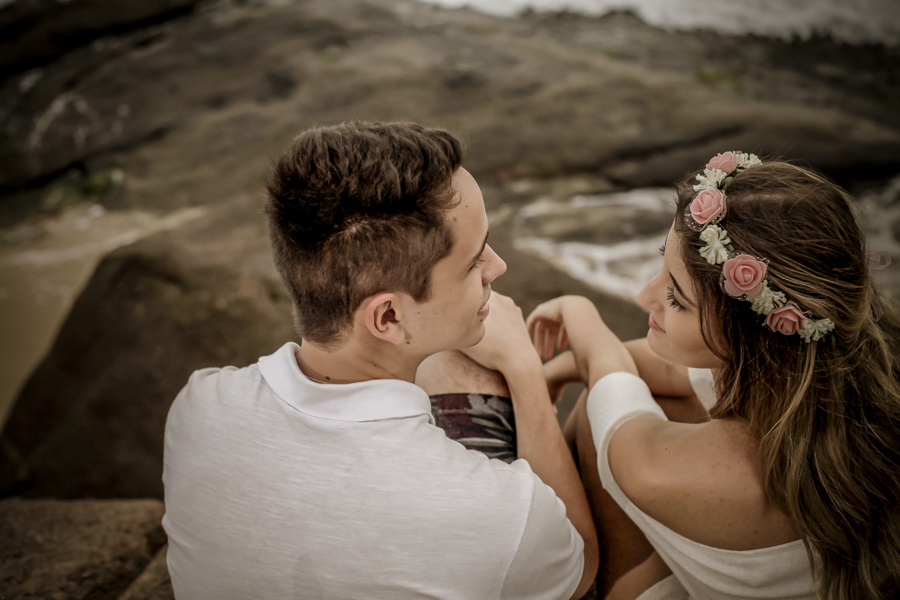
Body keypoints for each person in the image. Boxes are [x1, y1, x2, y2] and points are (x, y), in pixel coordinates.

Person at [161, 121, 598, 599]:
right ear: (388, 316)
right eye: (474, 261)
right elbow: (580, 565)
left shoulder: (199, 405)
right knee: (471, 365)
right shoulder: (493, 515)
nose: (498, 266)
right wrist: (525, 372)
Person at [526, 154, 900, 600]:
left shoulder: (661, 472)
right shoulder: (847, 368)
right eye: (660, 263)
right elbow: (657, 369)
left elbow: (611, 389)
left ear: (752, 337)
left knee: (594, 411)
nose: (647, 294)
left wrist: (578, 314)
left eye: (677, 299)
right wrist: (572, 362)